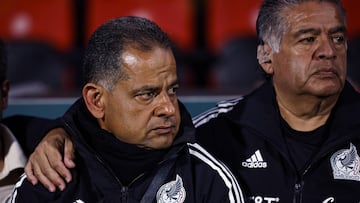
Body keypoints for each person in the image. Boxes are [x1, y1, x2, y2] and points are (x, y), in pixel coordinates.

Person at [19, 0, 360, 202]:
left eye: (338, 38)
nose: (328, 51)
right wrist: (60, 131)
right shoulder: (214, 137)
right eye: (307, 39)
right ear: (265, 57)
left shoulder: (204, 169)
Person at [7, 16, 245, 203]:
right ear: (96, 100)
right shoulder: (49, 176)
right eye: (147, 94)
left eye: (172, 90)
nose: (168, 108)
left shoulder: (207, 177)